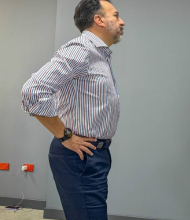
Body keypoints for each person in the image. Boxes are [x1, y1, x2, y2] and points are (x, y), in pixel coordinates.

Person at [21, 0, 125, 219]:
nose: (121, 21)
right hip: (79, 154)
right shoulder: (81, 50)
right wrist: (65, 135)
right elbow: (33, 91)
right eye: (115, 16)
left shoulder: (100, 55)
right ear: (99, 20)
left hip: (93, 153)